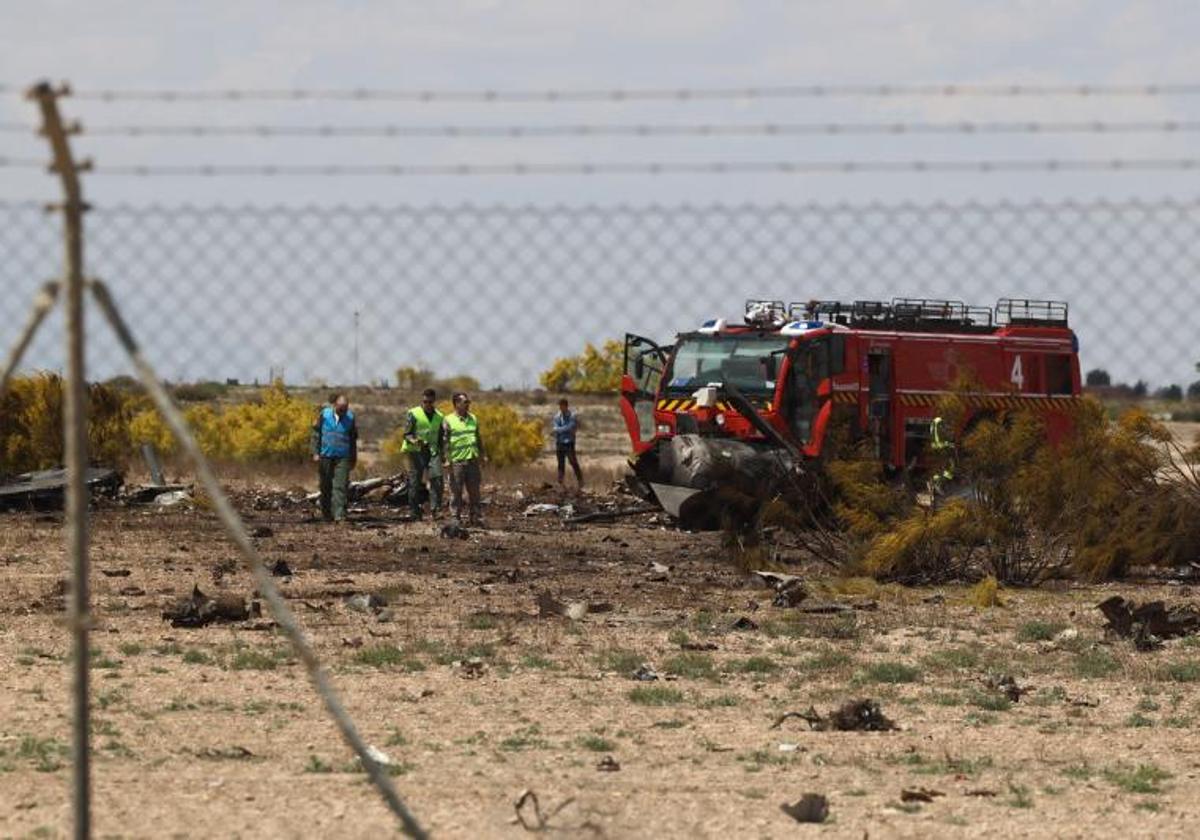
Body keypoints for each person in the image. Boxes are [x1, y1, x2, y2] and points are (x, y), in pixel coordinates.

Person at [441, 391, 486, 526]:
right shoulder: (448, 420)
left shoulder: (473, 418)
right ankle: (455, 518)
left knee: (475, 492)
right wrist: (446, 460)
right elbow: (444, 442)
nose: (468, 404)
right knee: (456, 492)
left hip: (472, 461)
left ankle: (475, 517)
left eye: (468, 402)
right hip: (457, 462)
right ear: (456, 404)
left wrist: (482, 455)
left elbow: (478, 438)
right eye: (465, 402)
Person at [310, 393, 357, 522]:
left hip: (343, 457)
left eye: (346, 408)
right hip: (325, 455)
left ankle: (340, 515)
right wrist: (315, 452)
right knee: (325, 486)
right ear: (334, 405)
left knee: (340, 486)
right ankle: (326, 514)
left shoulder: (350, 417)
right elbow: (315, 433)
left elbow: (353, 439)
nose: (343, 410)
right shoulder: (324, 415)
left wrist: (353, 458)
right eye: (341, 407)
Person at [400, 387, 444, 520]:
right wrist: (414, 440)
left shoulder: (439, 416)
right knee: (415, 482)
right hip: (416, 452)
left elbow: (441, 437)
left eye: (430, 402)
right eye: (425, 402)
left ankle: (436, 510)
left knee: (437, 479)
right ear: (422, 400)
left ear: (434, 401)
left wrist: (443, 455)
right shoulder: (413, 413)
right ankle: (414, 511)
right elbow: (406, 434)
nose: (427, 404)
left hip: (433, 451)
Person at [552, 397, 584, 488]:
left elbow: (569, 427)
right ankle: (560, 482)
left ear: (566, 406)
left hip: (569, 442)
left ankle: (580, 480)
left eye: (562, 406)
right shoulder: (557, 417)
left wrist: (559, 430)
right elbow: (555, 427)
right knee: (560, 463)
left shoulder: (572, 416)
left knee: (573, 461)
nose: (560, 408)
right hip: (559, 442)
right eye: (559, 406)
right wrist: (560, 430)